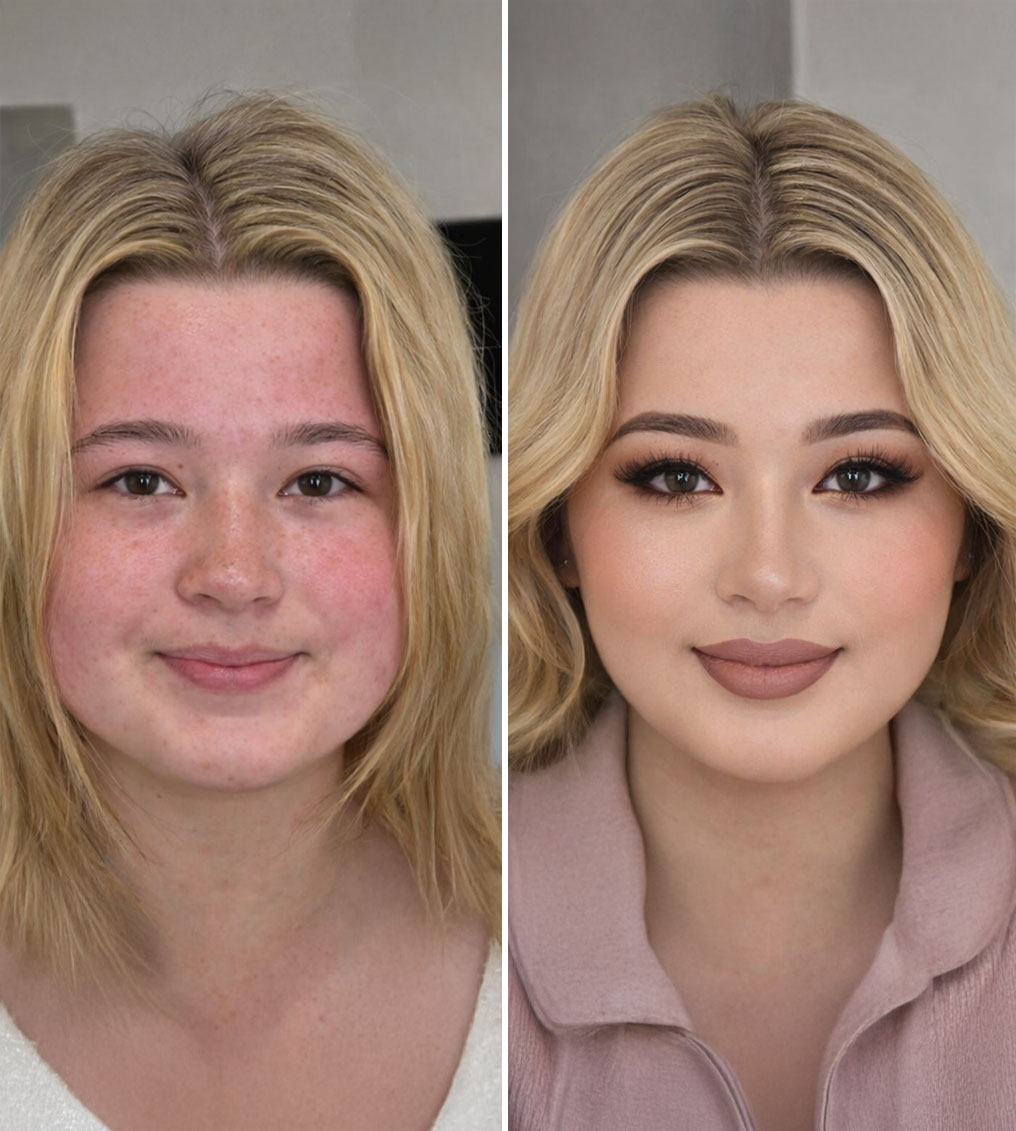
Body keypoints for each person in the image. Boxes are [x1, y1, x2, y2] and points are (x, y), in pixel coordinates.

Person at [507, 93, 1016, 1131]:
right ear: (558, 527)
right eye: (676, 476)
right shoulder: (432, 930)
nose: (769, 576)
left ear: (971, 523)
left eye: (859, 475)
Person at [0, 93, 500, 1130]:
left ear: (431, 528)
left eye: (317, 482)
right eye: (140, 480)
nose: (233, 574)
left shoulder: (566, 948)